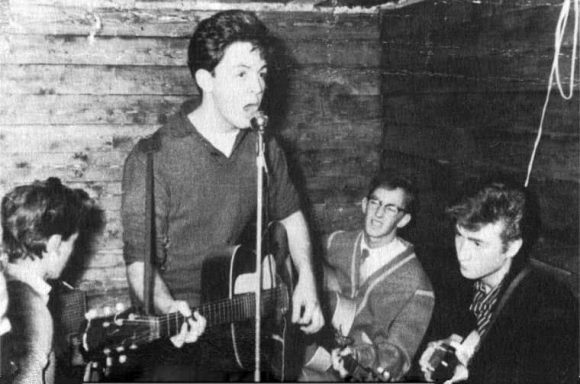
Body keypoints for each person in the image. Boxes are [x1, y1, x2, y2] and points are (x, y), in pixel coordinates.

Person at [121, 9, 324, 381]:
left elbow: (292, 216)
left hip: (251, 322)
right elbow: (140, 266)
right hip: (183, 330)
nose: (258, 87)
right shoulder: (153, 157)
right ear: (205, 79)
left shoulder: (265, 144)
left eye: (261, 74)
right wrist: (169, 309)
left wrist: (308, 280)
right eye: (242, 74)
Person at [419, 180, 578, 384]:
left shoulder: (548, 306)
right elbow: (462, 331)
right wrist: (447, 346)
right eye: (459, 235)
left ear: (511, 247)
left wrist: (470, 375)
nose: (462, 254)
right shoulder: (459, 275)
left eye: (477, 243)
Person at [301, 173, 435, 382]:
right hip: (315, 357)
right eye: (375, 203)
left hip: (361, 375)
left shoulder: (417, 284)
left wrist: (361, 356)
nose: (378, 214)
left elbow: (398, 355)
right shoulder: (336, 242)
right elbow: (299, 257)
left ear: (404, 219)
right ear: (364, 205)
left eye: (391, 208)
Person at [0, 177, 96, 384]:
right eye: (73, 243)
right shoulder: (31, 311)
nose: (72, 253)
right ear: (54, 244)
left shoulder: (7, 287)